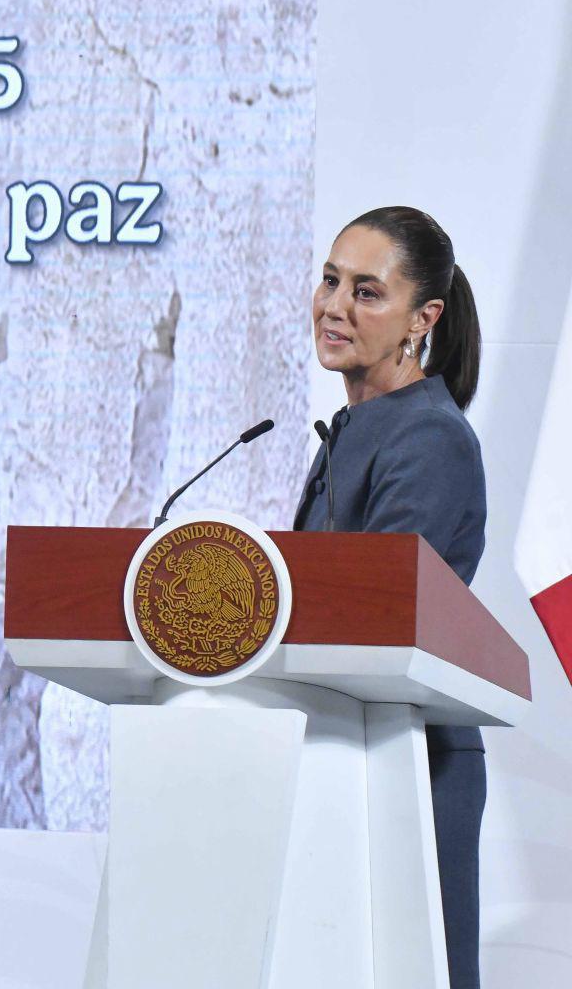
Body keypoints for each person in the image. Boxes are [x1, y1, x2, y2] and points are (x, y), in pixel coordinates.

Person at [293, 205, 485, 989]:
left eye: (366, 292)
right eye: (330, 281)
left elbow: (375, 614)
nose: (334, 306)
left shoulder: (428, 436)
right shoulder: (352, 428)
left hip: (406, 761)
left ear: (422, 319)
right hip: (341, 747)